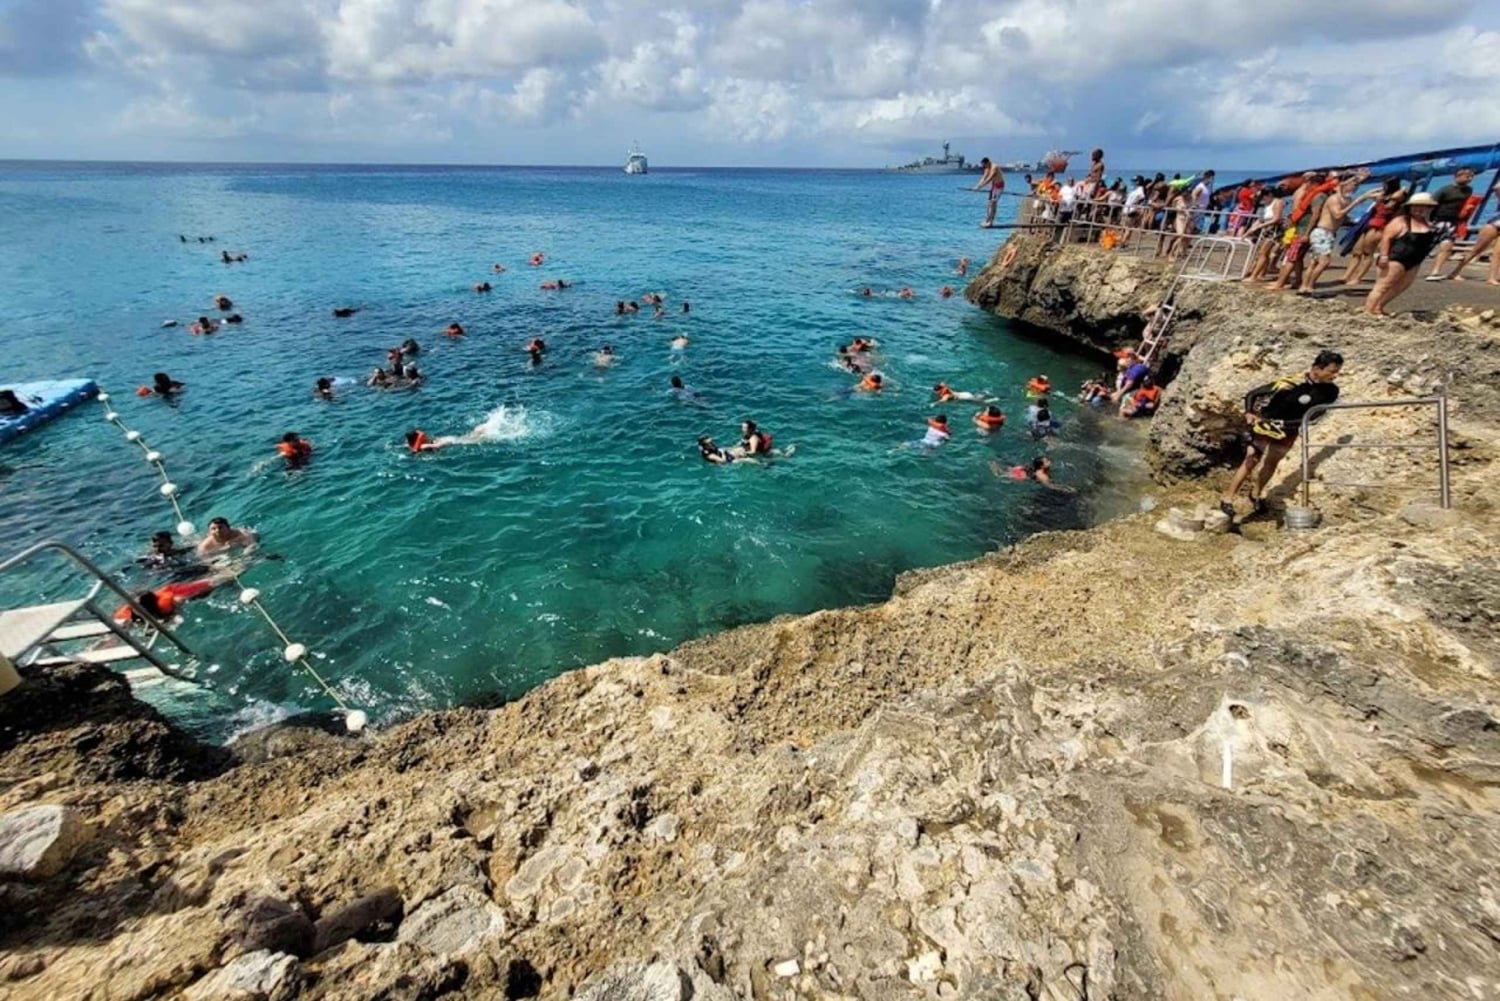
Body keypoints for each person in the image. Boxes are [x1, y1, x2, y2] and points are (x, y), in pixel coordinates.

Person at [1220, 350, 1343, 519]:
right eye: (1332, 371)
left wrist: (1288, 424)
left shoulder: (1331, 391)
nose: (1335, 375)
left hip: (1289, 430)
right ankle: (1227, 497)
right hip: (1266, 424)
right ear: (1316, 368)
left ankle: (1255, 494)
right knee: (1251, 458)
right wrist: (1249, 412)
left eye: (1337, 371)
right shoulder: (1292, 382)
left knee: (1271, 462)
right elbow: (1253, 394)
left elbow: (1315, 415)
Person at [1299, 172, 1376, 293]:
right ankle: (1309, 286)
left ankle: (1304, 287)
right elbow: (1337, 214)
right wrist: (1358, 201)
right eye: (1353, 185)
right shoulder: (1334, 199)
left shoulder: (1346, 199)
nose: (1355, 188)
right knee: (1324, 261)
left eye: (1357, 186)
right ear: (1344, 184)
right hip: (1322, 232)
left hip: (1328, 233)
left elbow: (1342, 218)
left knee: (1315, 262)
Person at [1364, 193, 1439, 316]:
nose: (1419, 209)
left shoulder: (1429, 224)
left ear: (1429, 208)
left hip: (1415, 261)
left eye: (1423, 207)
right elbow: (1386, 238)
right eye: (1415, 206)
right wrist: (1383, 256)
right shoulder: (1401, 221)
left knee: (1401, 286)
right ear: (1410, 207)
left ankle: (1378, 307)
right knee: (1383, 286)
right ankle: (1368, 311)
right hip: (1396, 257)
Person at [1342, 179, 1407, 286]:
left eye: (1385, 184)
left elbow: (1395, 199)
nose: (1383, 186)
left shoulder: (1396, 197)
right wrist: (1377, 192)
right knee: (1357, 251)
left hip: (1379, 226)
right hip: (1369, 224)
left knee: (1368, 253)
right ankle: (1347, 276)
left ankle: (1358, 278)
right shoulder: (1384, 195)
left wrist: (1395, 192)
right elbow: (1368, 194)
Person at [113, 575, 228, 625]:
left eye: (139, 607)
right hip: (165, 594)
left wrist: (174, 617)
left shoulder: (166, 604)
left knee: (213, 584)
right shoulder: (129, 613)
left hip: (178, 592)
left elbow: (178, 606)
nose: (135, 609)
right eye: (134, 606)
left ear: (149, 606)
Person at [1426, 168, 1477, 279]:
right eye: (1467, 176)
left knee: (1447, 247)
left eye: (1472, 177)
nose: (1470, 179)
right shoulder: (1445, 190)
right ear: (1457, 176)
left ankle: (1435, 271)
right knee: (1425, 246)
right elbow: (1431, 205)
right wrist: (1427, 221)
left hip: (1453, 222)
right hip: (1438, 221)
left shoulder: (1469, 190)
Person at [1442, 214, 1500, 285]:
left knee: (1497, 254)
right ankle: (1455, 272)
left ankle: (1492, 278)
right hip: (1494, 226)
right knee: (1475, 251)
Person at [973, 157, 1005, 228]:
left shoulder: (994, 167)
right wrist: (977, 186)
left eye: (984, 165)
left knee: (993, 203)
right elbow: (984, 177)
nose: (984, 167)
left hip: (1000, 186)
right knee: (989, 203)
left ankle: (991, 221)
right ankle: (987, 219)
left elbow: (989, 179)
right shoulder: (987, 168)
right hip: (994, 186)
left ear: (987, 163)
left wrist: (980, 187)